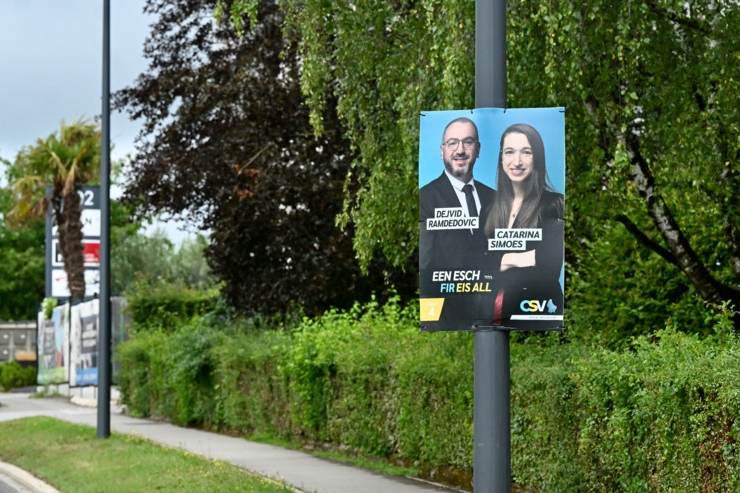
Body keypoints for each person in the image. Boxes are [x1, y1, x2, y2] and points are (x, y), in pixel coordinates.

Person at [480, 123, 564, 329]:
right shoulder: (488, 208)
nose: (517, 161)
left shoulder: (554, 204)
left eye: (526, 152)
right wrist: (522, 257)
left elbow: (550, 265)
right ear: (501, 157)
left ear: (537, 157)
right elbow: (477, 264)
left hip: (538, 313)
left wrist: (500, 260)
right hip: (490, 311)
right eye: (510, 152)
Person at [419, 117, 495, 330]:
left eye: (467, 142)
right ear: (442, 150)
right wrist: (431, 317)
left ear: (478, 149)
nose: (460, 150)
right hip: (447, 318)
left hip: (495, 314)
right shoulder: (425, 198)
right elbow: (426, 263)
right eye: (452, 143)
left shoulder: (496, 198)